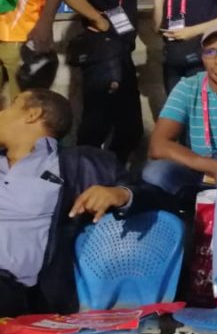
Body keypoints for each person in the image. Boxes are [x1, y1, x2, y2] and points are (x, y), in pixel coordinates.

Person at [0, 88, 169, 317]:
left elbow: (158, 197)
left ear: (33, 115)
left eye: (11, 106)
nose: (2, 112)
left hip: (13, 288)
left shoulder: (80, 164)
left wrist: (119, 194)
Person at [63, 0, 145, 163]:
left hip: (123, 55)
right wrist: (95, 17)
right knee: (96, 125)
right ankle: (84, 179)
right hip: (104, 54)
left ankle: (109, 177)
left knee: (132, 131)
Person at [142, 24, 217, 196]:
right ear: (202, 58)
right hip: (204, 171)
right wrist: (211, 166)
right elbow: (158, 145)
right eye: (210, 52)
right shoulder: (189, 86)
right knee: (155, 173)